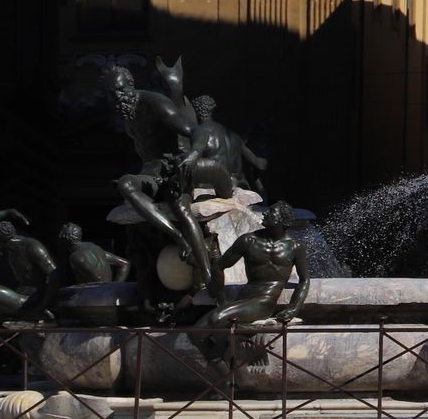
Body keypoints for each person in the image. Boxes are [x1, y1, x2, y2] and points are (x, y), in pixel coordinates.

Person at [103, 63, 210, 284]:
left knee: (180, 208)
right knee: (125, 184)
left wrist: (193, 156)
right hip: (151, 173)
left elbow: (196, 131)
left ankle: (207, 275)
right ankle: (177, 237)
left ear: (131, 85)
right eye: (112, 95)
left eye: (121, 90)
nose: (118, 98)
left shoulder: (155, 104)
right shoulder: (128, 114)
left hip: (173, 168)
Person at [196, 202, 310, 361]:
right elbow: (218, 267)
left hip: (264, 303)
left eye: (271, 212)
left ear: (281, 221)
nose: (264, 214)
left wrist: (293, 309)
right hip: (243, 300)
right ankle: (226, 379)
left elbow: (304, 280)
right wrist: (221, 300)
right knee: (195, 332)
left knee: (215, 320)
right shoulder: (249, 240)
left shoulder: (296, 247)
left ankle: (224, 369)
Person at [0, 209, 59, 322]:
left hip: (29, 300)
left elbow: (54, 275)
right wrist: (8, 212)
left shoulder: (32, 246)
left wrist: (41, 307)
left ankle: (11, 314)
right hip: (18, 294)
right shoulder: (6, 244)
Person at [57, 223, 131, 285]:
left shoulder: (76, 257)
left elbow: (98, 278)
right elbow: (125, 264)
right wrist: (114, 287)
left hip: (94, 297)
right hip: (105, 291)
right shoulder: (93, 247)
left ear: (64, 238)